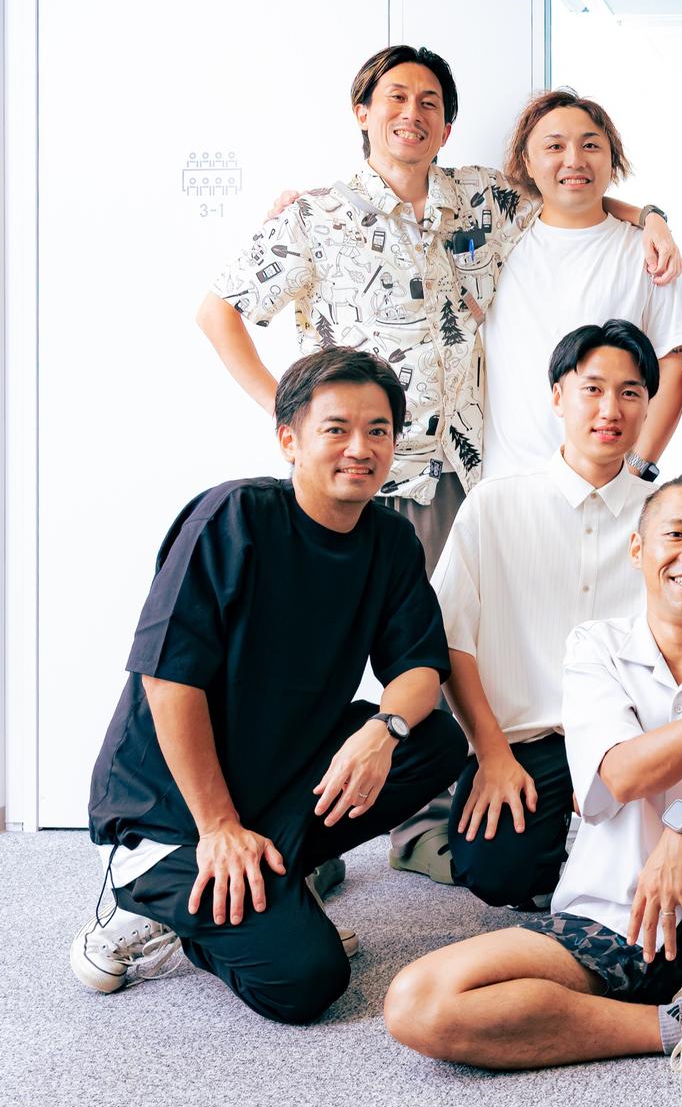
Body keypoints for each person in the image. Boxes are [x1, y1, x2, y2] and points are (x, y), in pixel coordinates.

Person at [384, 473, 682, 1107]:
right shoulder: (595, 645)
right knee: (420, 1001)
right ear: (638, 551)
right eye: (675, 535)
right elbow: (619, 773)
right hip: (613, 918)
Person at [71, 348, 467, 1024]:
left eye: (377, 430)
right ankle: (150, 903)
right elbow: (168, 681)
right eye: (336, 429)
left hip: (275, 784)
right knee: (307, 980)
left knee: (432, 740)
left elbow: (419, 671)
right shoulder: (233, 518)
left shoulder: (389, 540)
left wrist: (383, 730)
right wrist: (218, 827)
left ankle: (268, 875)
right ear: (290, 440)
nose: (360, 448)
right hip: (173, 810)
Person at [200, 45, 681, 571]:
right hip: (349, 468)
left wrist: (651, 217)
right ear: (362, 113)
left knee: (439, 622)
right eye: (397, 98)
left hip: (454, 479)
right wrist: (285, 410)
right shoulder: (314, 215)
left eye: (429, 103)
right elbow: (217, 312)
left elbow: (571, 192)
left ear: (446, 129)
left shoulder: (482, 197)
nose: (413, 113)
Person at [429, 321, 663, 908]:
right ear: (558, 397)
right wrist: (491, 753)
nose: (610, 409)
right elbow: (452, 638)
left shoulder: (664, 514)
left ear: (647, 407)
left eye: (630, 393)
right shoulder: (495, 503)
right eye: (592, 389)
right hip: (524, 742)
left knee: (650, 876)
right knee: (494, 872)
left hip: (630, 741)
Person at [480, 89, 682, 480]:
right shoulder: (497, 246)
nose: (574, 160)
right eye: (554, 146)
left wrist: (635, 468)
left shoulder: (645, 252)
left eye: (590, 145)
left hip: (609, 485)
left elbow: (672, 363)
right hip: (509, 482)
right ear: (527, 161)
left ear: (612, 159)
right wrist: (650, 214)